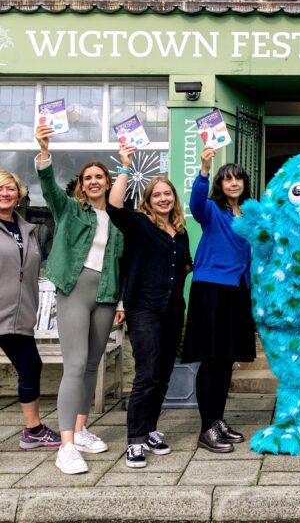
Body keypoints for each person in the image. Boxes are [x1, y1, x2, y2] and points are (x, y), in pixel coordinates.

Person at [34, 124, 125, 475]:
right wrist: (44, 152)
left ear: (107, 181)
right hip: (74, 289)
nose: (93, 182)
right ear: (81, 184)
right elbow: (49, 189)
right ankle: (66, 444)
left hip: (106, 294)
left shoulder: (117, 220)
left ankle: (82, 428)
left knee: (92, 365)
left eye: (99, 176)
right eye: (88, 177)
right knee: (74, 365)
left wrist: (119, 302)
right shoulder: (71, 210)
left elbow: (121, 262)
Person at [108, 144, 191, 468]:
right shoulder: (139, 224)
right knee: (147, 373)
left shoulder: (180, 232)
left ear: (173, 199)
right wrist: (126, 166)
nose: (163, 199)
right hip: (143, 307)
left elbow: (181, 264)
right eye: (157, 195)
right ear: (149, 199)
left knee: (164, 373)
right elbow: (114, 208)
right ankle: (135, 440)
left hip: (172, 309)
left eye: (167, 194)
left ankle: (151, 428)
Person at [181, 146, 255, 453]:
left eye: (238, 179)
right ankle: (206, 428)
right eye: (228, 179)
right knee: (212, 359)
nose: (234, 183)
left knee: (226, 360)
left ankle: (218, 420)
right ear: (220, 185)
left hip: (238, 290)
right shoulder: (212, 210)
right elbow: (195, 204)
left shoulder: (251, 214)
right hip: (212, 288)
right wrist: (204, 168)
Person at [0, 170, 61, 451]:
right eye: (0, 188)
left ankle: (33, 430)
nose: (5, 193)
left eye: (10, 188)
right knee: (30, 365)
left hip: (19, 315)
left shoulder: (26, 229)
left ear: (20, 193)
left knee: (30, 366)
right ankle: (34, 429)